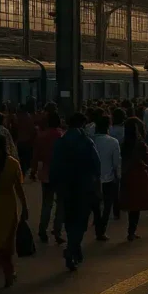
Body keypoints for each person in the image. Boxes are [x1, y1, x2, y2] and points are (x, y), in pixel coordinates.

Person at [50, 113, 101, 271]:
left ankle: (75, 249)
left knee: (70, 218)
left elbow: (54, 166)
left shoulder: (60, 142)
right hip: (83, 187)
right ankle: (72, 249)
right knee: (81, 221)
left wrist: (56, 185)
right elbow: (96, 165)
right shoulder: (86, 142)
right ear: (82, 124)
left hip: (65, 187)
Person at [0, 135, 27, 287]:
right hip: (8, 205)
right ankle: (8, 274)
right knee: (7, 243)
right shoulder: (12, 163)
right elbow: (19, 188)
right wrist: (25, 207)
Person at [119, 118, 148, 241]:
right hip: (139, 176)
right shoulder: (141, 145)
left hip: (127, 176)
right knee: (137, 206)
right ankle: (132, 231)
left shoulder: (123, 145)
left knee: (131, 204)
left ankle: (131, 231)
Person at [32, 111, 64, 244]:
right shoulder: (61, 135)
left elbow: (36, 156)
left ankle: (42, 229)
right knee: (61, 204)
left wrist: (33, 171)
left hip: (45, 172)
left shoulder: (41, 136)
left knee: (47, 203)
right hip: (60, 173)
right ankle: (57, 231)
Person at [91, 115, 122, 240]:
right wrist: (118, 176)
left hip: (93, 179)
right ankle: (101, 230)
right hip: (108, 179)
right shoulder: (113, 142)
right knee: (107, 205)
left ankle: (97, 224)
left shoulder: (91, 140)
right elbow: (116, 162)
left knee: (96, 206)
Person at [14, 100, 36, 176]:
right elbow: (32, 131)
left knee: (20, 159)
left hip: (20, 141)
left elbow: (14, 129)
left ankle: (21, 173)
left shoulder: (17, 117)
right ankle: (24, 172)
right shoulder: (29, 117)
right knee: (27, 160)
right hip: (28, 142)